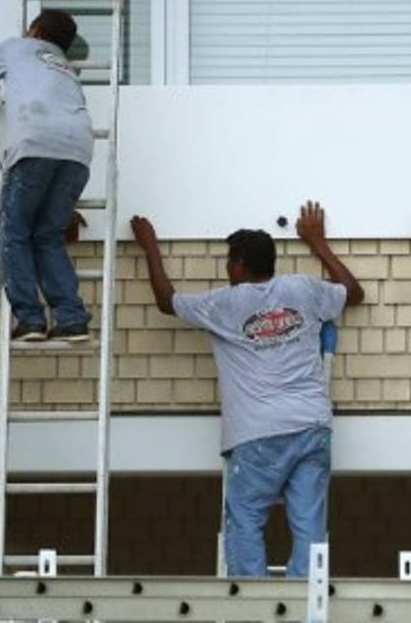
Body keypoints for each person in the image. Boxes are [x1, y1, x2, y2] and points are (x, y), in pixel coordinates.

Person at [130, 201, 364, 578]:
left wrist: (150, 246)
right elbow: (353, 293)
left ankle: (252, 609)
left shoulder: (225, 304)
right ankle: (305, 604)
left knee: (246, 520)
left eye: (228, 262)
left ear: (238, 265)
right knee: (309, 525)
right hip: (311, 426)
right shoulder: (303, 289)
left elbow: (166, 301)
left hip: (258, 434)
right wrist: (317, 242)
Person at [0, 9, 94, 342]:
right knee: (48, 236)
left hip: (35, 144)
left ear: (35, 31)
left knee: (14, 232)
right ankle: (71, 318)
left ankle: (30, 320)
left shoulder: (16, 46)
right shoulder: (66, 67)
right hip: (79, 152)